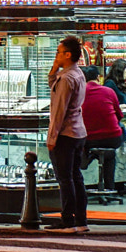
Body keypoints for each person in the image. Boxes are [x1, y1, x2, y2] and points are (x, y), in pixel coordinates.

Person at [45, 36, 90, 232]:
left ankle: (67, 219)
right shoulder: (77, 74)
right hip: (79, 131)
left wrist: (52, 137)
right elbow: (54, 88)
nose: (56, 55)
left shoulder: (66, 78)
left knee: (65, 178)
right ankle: (81, 219)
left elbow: (58, 111)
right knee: (75, 176)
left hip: (66, 133)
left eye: (58, 52)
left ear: (68, 54)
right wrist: (54, 70)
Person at [82, 66, 126, 192]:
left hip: (89, 139)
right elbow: (119, 115)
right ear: (98, 77)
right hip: (112, 139)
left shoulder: (79, 93)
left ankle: (88, 157)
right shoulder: (108, 91)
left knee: (88, 147)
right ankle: (109, 187)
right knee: (110, 154)